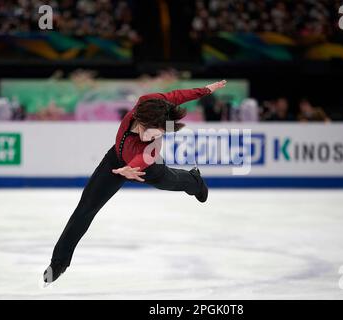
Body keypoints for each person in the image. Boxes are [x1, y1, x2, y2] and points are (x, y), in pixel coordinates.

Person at [43, 80, 227, 283]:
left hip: (147, 168)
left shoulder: (153, 143)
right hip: (115, 160)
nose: (151, 137)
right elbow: (177, 95)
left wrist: (133, 168)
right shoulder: (147, 101)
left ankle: (194, 181)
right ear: (140, 118)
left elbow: (145, 157)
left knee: (170, 181)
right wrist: (205, 89)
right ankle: (58, 264)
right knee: (85, 209)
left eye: (158, 133)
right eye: (150, 131)